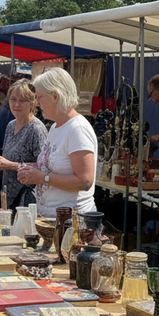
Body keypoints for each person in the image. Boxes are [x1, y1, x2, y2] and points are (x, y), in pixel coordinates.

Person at [17, 67, 97, 218]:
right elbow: (55, 166)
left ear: (55, 96)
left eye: (39, 97)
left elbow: (85, 180)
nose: (37, 103)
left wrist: (42, 178)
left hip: (72, 223)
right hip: (53, 219)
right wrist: (32, 170)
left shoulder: (77, 129)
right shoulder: (55, 127)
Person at [0, 80, 47, 211]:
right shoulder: (11, 125)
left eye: (23, 100)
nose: (16, 104)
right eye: (13, 99)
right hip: (8, 197)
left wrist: (11, 165)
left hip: (26, 200)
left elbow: (45, 167)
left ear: (32, 103)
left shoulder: (36, 129)